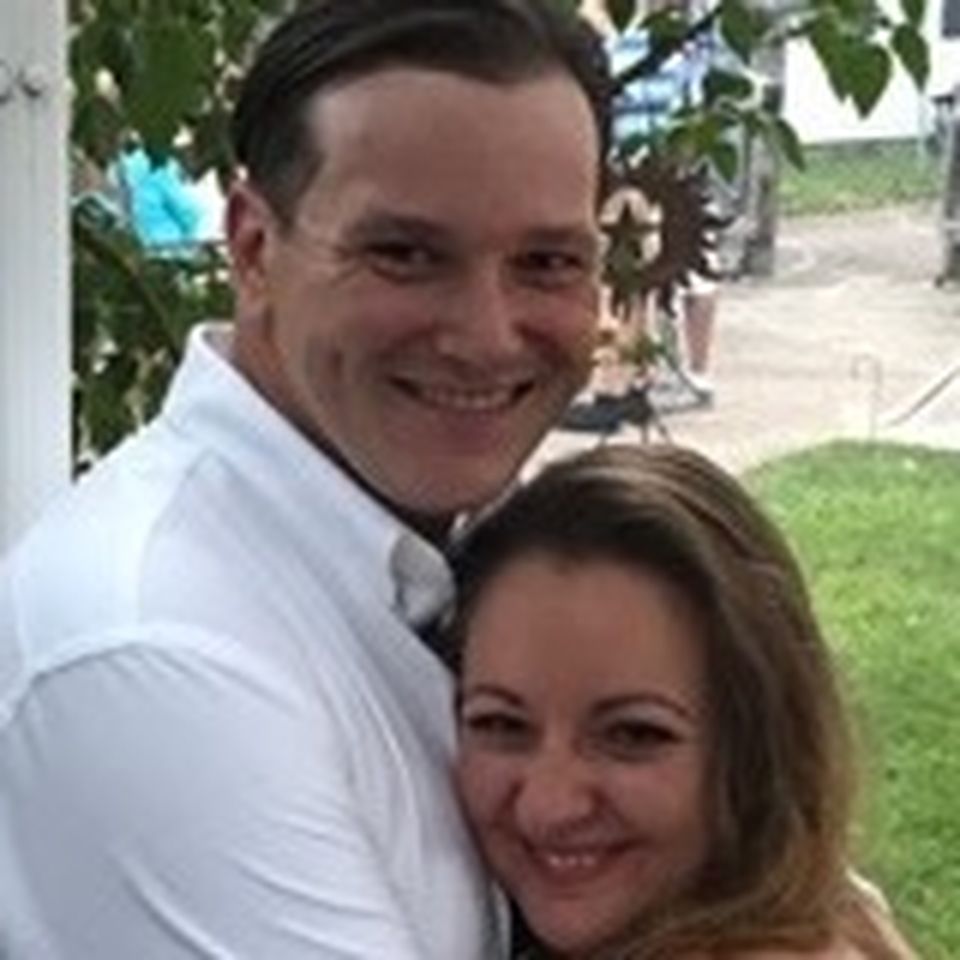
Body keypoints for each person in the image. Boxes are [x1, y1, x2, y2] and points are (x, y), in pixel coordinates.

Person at [0, 2, 612, 957]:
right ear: (253, 249)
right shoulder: (164, 648)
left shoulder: (405, 554)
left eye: (546, 262)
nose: (488, 336)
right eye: (405, 255)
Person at [451, 444, 917, 959]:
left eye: (632, 735)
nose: (548, 807)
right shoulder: (828, 904)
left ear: (760, 746)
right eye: (501, 724)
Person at [608, 0, 724, 405]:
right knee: (642, 274)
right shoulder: (628, 36)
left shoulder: (694, 37)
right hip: (634, 170)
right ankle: (644, 372)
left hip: (674, 169)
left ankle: (696, 372)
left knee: (692, 268)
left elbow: (696, 105)